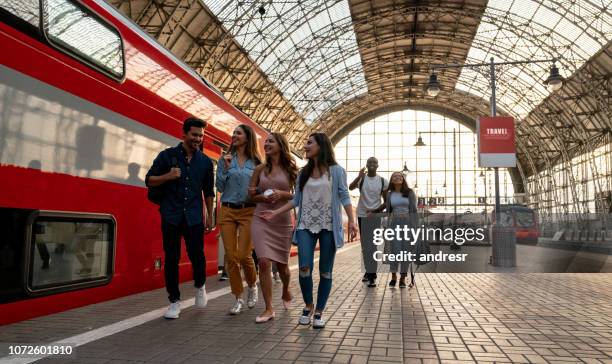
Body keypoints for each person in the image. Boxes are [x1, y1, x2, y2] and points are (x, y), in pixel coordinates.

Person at [261, 132, 358, 329]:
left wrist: (353, 222)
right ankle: (308, 305)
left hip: (329, 226)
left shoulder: (337, 171)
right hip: (305, 224)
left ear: (321, 146)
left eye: (309, 143)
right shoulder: (303, 172)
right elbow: (295, 200)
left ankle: (319, 311)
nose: (305, 146)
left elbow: (345, 197)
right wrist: (274, 213)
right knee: (304, 268)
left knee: (325, 271)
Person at [145, 117, 214, 319]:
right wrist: (168, 176)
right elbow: (149, 180)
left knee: (197, 255)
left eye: (201, 136)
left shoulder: (205, 162)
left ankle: (200, 286)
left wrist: (209, 215)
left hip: (193, 216)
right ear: (183, 134)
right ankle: (174, 301)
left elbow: (208, 191)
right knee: (172, 258)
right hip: (171, 215)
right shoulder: (166, 156)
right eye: (194, 135)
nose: (198, 139)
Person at [249, 132, 297, 323]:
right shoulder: (260, 169)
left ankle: (286, 290)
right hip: (261, 218)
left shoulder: (292, 169)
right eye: (266, 141)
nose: (266, 144)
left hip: (282, 221)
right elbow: (251, 195)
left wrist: (282, 194)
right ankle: (269, 308)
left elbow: (297, 195)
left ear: (280, 145)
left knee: (283, 267)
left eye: (271, 141)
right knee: (263, 262)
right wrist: (263, 197)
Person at [216, 124, 262, 315]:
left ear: (247, 137)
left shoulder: (257, 162)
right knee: (231, 256)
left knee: (244, 255)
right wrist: (225, 169)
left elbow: (260, 189)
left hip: (248, 211)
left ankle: (252, 284)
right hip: (227, 210)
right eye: (233, 133)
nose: (234, 135)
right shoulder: (225, 159)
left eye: (238, 133)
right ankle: (238, 297)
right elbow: (219, 186)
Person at [373, 172, 417, 289]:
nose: (397, 177)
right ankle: (393, 276)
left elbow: (414, 211)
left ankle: (402, 278)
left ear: (403, 179)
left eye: (400, 176)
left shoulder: (410, 193)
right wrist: (375, 214)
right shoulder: (389, 194)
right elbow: (388, 211)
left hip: (407, 225)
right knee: (395, 251)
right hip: (394, 224)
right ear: (392, 180)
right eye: (394, 176)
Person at [349, 157, 388, 287]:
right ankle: (368, 271)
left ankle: (372, 275)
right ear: (366, 165)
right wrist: (358, 176)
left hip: (375, 217)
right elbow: (350, 187)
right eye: (369, 162)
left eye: (374, 162)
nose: (372, 164)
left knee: (372, 246)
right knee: (365, 247)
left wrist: (376, 211)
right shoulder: (362, 179)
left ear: (378, 165)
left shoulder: (383, 181)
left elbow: (387, 202)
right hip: (362, 215)